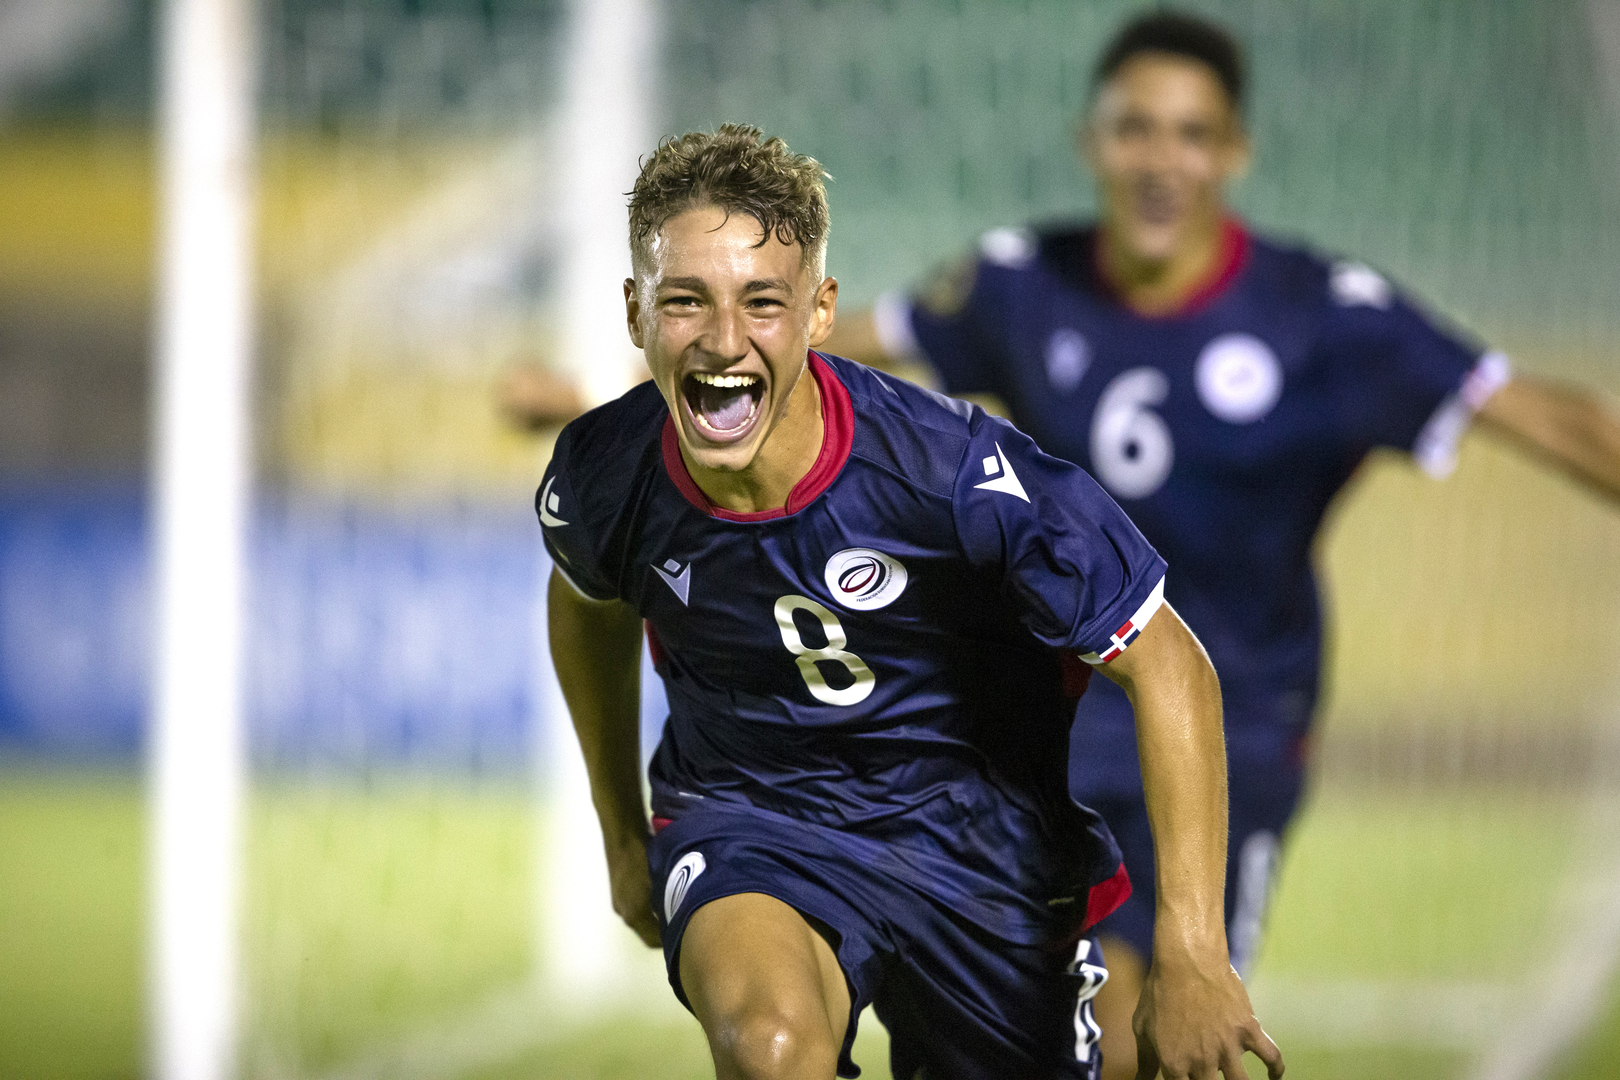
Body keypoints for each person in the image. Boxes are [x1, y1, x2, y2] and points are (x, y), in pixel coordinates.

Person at [818, 11, 1620, 1079]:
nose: (1163, 162)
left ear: (1234, 152)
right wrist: (620, 410)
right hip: (1050, 718)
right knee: (1053, 1019)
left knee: (1170, 1031)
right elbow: (818, 347)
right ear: (1090, 142)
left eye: (1193, 135)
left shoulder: (1323, 319)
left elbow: (1550, 418)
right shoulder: (1021, 283)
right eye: (1135, 130)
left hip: (1235, 729)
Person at [541, 123, 1284, 1080]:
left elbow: (1168, 660)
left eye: (762, 303)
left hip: (979, 846)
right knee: (772, 1051)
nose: (725, 342)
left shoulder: (953, 476)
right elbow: (587, 601)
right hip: (754, 820)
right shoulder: (605, 472)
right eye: (686, 302)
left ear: (819, 311)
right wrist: (620, 833)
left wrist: (1191, 950)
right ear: (636, 311)